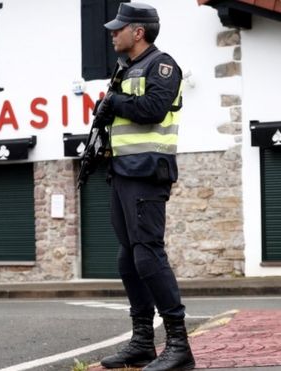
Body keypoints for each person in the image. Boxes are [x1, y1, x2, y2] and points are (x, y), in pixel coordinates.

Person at [97, 3, 194, 371]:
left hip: (147, 170)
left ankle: (179, 345)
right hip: (122, 171)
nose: (112, 33)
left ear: (138, 32)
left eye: (119, 28)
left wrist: (114, 102)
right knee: (127, 257)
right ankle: (142, 342)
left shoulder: (162, 65)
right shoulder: (124, 69)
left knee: (147, 254)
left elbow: (154, 107)